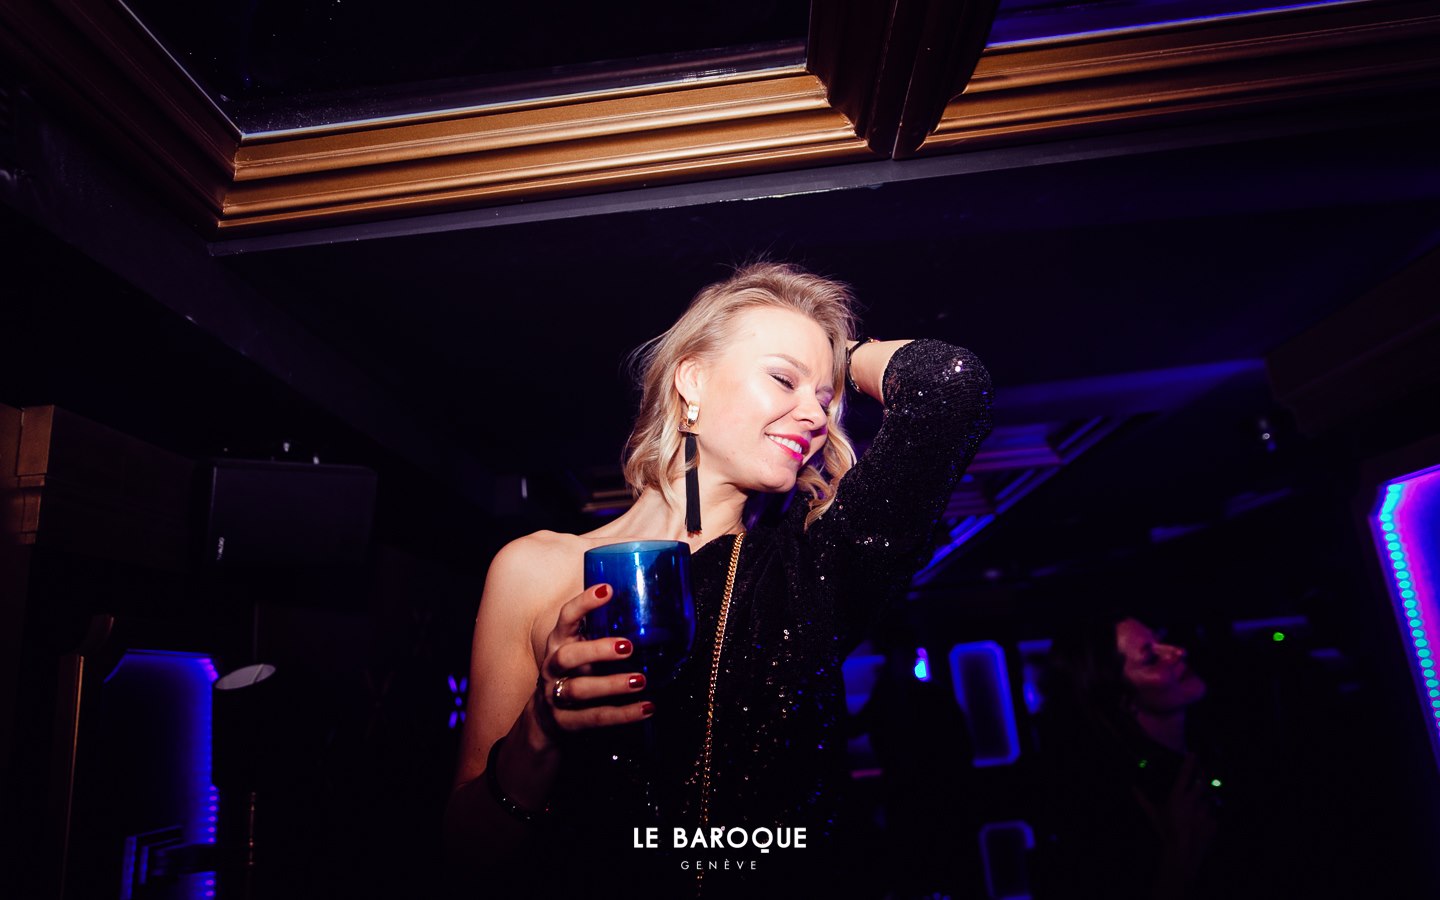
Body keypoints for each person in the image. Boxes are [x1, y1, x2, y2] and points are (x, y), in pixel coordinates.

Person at [443, 262, 993, 898]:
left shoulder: (815, 568)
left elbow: (950, 386)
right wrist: (539, 731)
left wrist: (840, 354)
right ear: (692, 380)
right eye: (783, 378)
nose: (815, 416)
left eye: (825, 400)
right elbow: (465, 852)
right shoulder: (534, 567)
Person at [1035, 615, 1220, 900]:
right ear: (1123, 700)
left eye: (1161, 640)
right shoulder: (1111, 798)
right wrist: (1178, 856)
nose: (1177, 652)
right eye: (1151, 659)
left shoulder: (1207, 751)